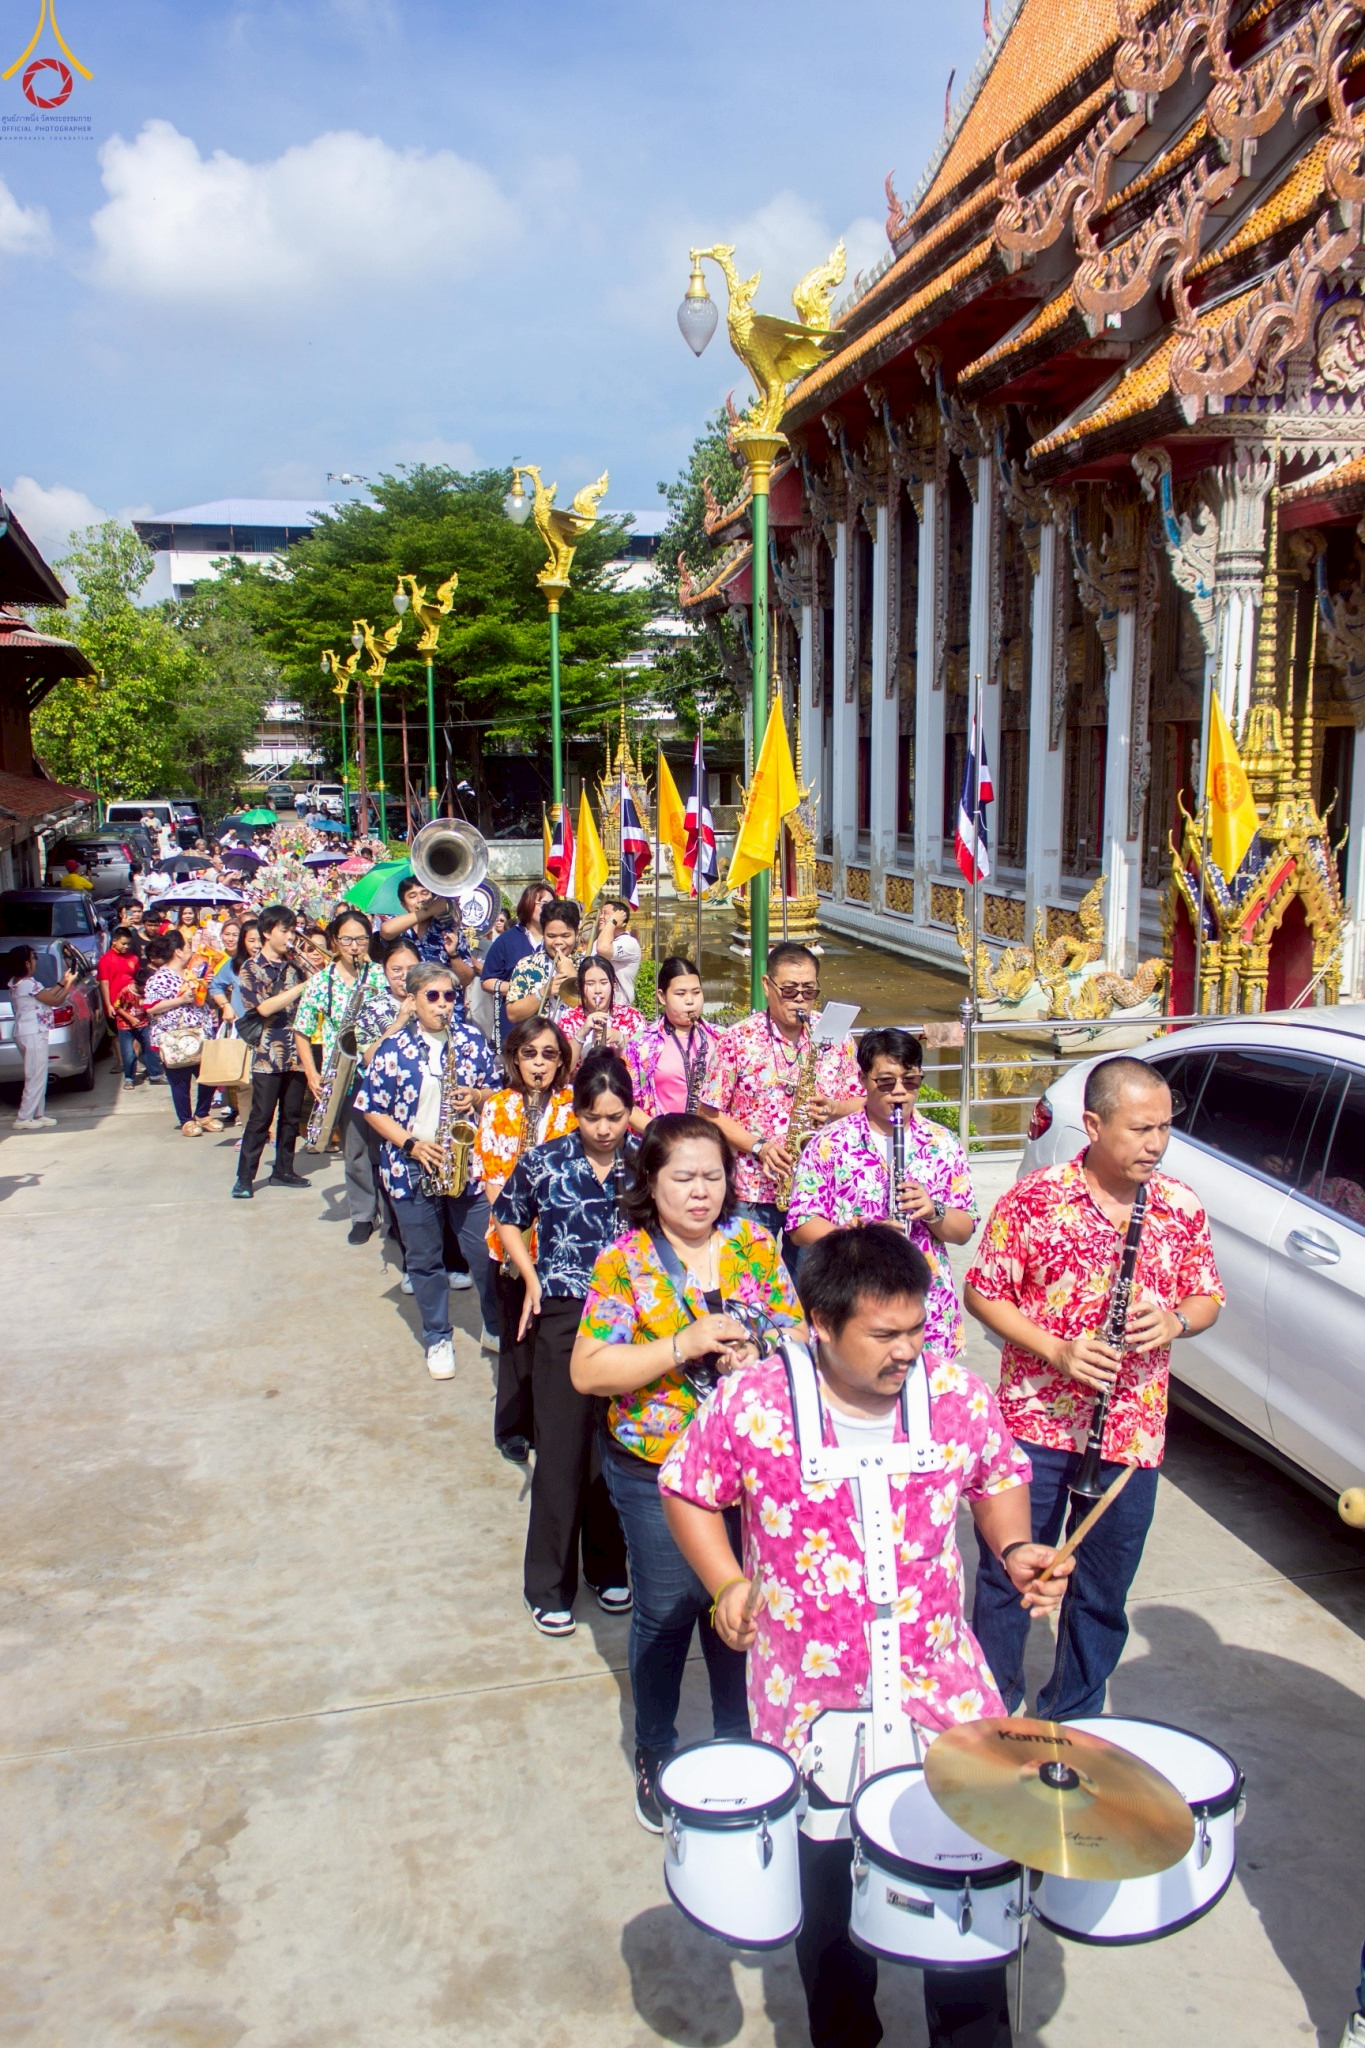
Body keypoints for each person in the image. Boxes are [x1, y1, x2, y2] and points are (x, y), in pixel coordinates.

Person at [660, 1224, 1072, 2048]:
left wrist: (1016, 1548)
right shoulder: (753, 1401)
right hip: (808, 1706)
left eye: (917, 1328)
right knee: (832, 1919)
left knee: (966, 1911)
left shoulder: (954, 1395)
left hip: (940, 1695)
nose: (906, 1350)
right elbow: (688, 1486)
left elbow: (998, 1477)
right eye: (883, 1335)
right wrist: (727, 1583)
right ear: (818, 1322)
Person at [965, 1055, 1224, 1722]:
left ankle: (1071, 1717)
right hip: (1035, 1423)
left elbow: (1206, 1298)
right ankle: (992, 1709)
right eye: (1140, 1129)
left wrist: (1173, 1321)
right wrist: (1055, 1348)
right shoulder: (1033, 1200)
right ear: (1091, 1124)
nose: (1155, 1145)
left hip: (1130, 1431)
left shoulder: (1178, 1206)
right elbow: (982, 1292)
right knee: (1006, 1577)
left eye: (1163, 1129)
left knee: (1101, 1590)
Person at [570, 1113, 803, 1830]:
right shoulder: (623, 1262)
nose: (701, 1192)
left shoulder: (754, 1244)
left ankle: (739, 1740)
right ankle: (655, 1748)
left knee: (737, 1612)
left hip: (747, 1471)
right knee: (667, 1612)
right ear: (650, 1182)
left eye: (713, 1177)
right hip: (658, 1473)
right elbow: (588, 1370)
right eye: (683, 1178)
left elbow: (796, 1331)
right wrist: (682, 1344)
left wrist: (757, 1347)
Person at [493, 1047, 635, 1635]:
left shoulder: (647, 1166)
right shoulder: (545, 1161)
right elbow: (506, 1216)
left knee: (616, 1444)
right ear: (574, 1111)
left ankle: (608, 1566)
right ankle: (548, 1583)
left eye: (616, 1116)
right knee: (560, 1448)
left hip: (631, 1321)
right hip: (562, 1316)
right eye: (592, 1116)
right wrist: (530, 1278)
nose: (604, 1129)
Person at [787, 1026, 977, 1360]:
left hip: (926, 1308)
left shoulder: (942, 1143)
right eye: (886, 1083)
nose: (900, 1093)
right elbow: (801, 1226)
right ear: (863, 1082)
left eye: (911, 1081)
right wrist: (859, 1236)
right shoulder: (830, 1143)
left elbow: (963, 1231)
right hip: (852, 1299)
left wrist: (933, 1211)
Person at [353, 962, 500, 1378]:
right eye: (432, 996)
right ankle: (438, 1338)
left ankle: (493, 1326)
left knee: (483, 1253)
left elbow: (495, 1087)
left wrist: (478, 1094)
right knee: (425, 1260)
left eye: (449, 996)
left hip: (464, 1165)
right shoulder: (393, 1048)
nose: (442, 1004)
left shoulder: (471, 1040)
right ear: (413, 1000)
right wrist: (412, 1145)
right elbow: (371, 1109)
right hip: (411, 1164)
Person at [699, 940, 862, 1244]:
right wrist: (759, 1147)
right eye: (789, 991)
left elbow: (863, 1100)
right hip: (752, 1191)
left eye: (809, 991)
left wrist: (834, 1108)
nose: (799, 1000)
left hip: (817, 1190)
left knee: (812, 1288)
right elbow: (708, 1114)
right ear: (767, 985)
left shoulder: (835, 1037)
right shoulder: (737, 1039)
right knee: (748, 1284)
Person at [474, 1016, 577, 1459]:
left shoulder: (574, 1106)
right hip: (512, 1241)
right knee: (516, 1343)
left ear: (561, 1061)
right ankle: (513, 1428)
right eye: (529, 1054)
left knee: (554, 1344)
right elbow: (493, 1178)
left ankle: (551, 1424)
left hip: (562, 1243)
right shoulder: (498, 1106)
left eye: (549, 1054)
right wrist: (516, 1228)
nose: (538, 1064)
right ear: (515, 1058)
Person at [293, 908, 389, 1244]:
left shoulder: (381, 975)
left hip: (382, 1072)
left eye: (361, 939)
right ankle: (363, 1213)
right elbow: (302, 1031)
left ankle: (392, 1214)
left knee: (387, 1146)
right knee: (355, 1147)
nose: (354, 945)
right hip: (344, 1074)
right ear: (335, 941)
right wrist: (311, 1072)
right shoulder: (321, 982)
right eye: (347, 939)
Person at [232, 905, 311, 1197]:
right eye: (285, 930)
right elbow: (263, 1008)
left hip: (297, 1050)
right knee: (261, 1117)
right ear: (267, 932)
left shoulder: (294, 965)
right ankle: (244, 1177)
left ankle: (284, 1169)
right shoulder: (251, 968)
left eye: (293, 930)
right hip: (268, 1052)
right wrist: (302, 987)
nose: (291, 936)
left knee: (291, 1115)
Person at [623, 955, 717, 1125]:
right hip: (661, 1143)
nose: (690, 1001)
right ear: (662, 996)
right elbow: (627, 1104)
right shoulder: (641, 1044)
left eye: (696, 992)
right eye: (680, 994)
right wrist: (659, 1135)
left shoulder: (721, 1038)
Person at [144, 930, 218, 1135]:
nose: (190, 950)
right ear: (177, 951)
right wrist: (180, 1000)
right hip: (175, 1036)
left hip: (200, 1032)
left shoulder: (192, 973)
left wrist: (205, 986)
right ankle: (186, 1119)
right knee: (180, 1080)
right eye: (187, 947)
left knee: (209, 1076)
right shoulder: (159, 978)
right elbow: (150, 1007)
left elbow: (203, 1000)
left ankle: (203, 1113)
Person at [4, 945, 77, 1129]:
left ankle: (38, 1113)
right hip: (32, 1033)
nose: (36, 961)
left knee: (38, 1073)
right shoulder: (29, 984)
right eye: (33, 958)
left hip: (28, 1032)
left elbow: (46, 995)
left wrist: (62, 982)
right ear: (27, 964)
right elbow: (56, 1001)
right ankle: (24, 1117)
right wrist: (69, 985)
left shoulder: (19, 983)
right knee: (35, 1075)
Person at [379, 875, 476, 1010]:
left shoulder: (449, 929)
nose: (420, 899)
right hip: (405, 1007)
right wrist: (429, 910)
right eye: (412, 896)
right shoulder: (397, 925)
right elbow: (386, 930)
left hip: (443, 1008)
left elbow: (466, 979)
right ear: (403, 904)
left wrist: (453, 954)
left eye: (425, 893)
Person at [481, 880, 552, 1043]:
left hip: (552, 1020)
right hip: (515, 1022)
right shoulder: (507, 940)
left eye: (551, 904)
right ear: (528, 904)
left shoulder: (557, 940)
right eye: (543, 904)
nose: (547, 909)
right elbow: (486, 981)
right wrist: (519, 988)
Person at [556, 955, 646, 1066]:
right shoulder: (568, 1019)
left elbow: (645, 1060)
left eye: (604, 983)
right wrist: (581, 1034)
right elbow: (563, 1069)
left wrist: (619, 1038)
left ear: (614, 985)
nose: (598, 990)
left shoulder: (632, 1017)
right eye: (590, 984)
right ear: (579, 986)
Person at [504, 897, 583, 1025]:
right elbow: (512, 1014)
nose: (558, 942)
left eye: (565, 936)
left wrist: (575, 976)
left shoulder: (589, 965)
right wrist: (544, 991)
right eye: (551, 936)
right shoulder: (527, 965)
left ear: (576, 933)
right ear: (543, 933)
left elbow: (601, 1008)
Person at [97, 928, 143, 1087]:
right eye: (123, 943)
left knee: (137, 1031)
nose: (126, 947)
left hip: (134, 1003)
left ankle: (133, 1061)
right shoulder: (105, 960)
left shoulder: (133, 958)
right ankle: (122, 1062)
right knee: (117, 1034)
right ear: (114, 941)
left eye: (128, 944)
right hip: (115, 1003)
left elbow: (138, 978)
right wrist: (108, 1004)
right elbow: (104, 982)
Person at [112, 963, 162, 1089]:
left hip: (144, 1023)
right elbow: (117, 1007)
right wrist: (130, 1018)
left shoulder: (149, 992)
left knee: (151, 1047)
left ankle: (155, 1074)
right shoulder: (125, 992)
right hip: (126, 1026)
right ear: (138, 984)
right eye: (145, 987)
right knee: (128, 1053)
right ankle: (129, 1078)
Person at [592, 896, 642, 1001]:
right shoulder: (598, 941)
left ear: (620, 920)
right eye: (601, 913)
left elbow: (603, 949)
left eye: (605, 913)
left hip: (619, 1006)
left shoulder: (629, 943)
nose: (600, 917)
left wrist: (612, 921)